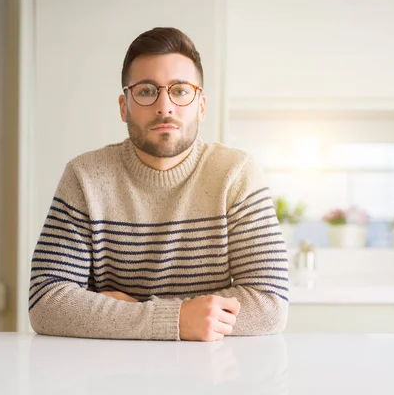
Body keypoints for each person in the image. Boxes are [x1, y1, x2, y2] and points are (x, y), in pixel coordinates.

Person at [28, 27, 289, 341]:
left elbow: (269, 304)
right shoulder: (84, 177)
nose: (165, 106)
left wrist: (139, 311)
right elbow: (45, 301)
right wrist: (178, 320)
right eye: (147, 90)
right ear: (124, 105)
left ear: (201, 105)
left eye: (180, 91)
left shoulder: (236, 174)